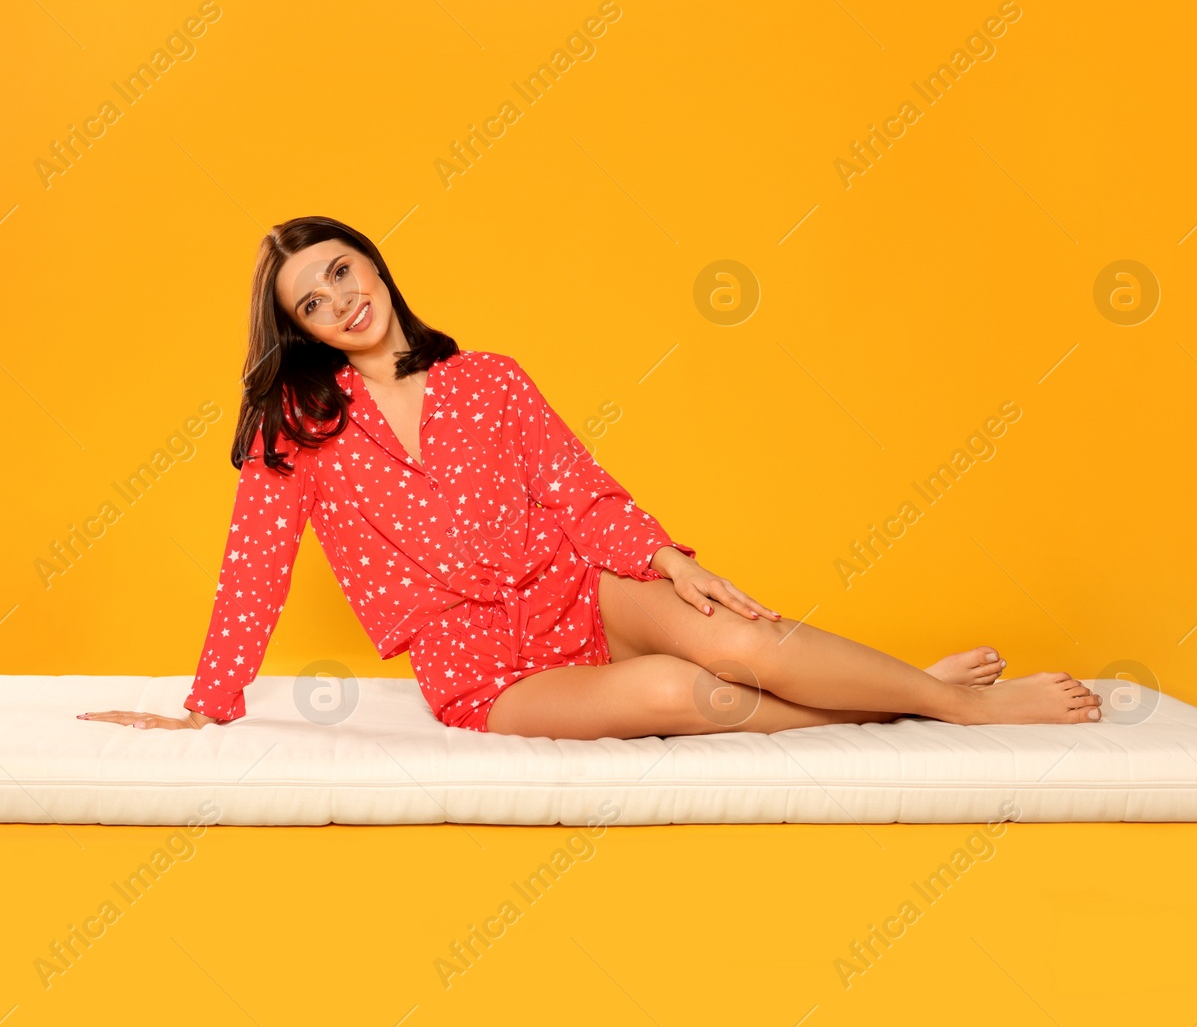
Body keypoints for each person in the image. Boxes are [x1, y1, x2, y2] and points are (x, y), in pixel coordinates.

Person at [82, 216, 1102, 737]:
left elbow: (577, 486)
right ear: (300, 331)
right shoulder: (298, 435)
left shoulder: (486, 377)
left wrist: (661, 558)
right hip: (488, 666)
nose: (342, 298)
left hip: (579, 584)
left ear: (375, 263)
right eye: (313, 299)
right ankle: (916, 701)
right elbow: (252, 564)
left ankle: (955, 705)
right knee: (683, 690)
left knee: (743, 633)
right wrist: (209, 703)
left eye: (344, 269)